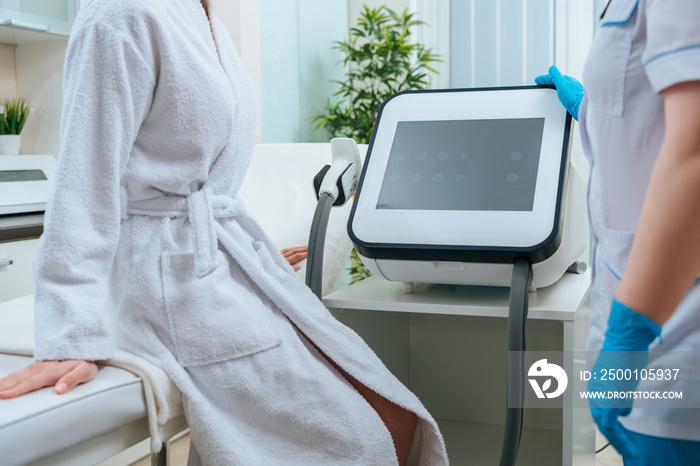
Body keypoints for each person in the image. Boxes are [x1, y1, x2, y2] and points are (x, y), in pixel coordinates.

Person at [0, 1, 448, 464]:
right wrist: (69, 337)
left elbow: (204, 177)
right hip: (164, 281)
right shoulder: (123, 12)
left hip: (211, 258)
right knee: (371, 433)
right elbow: (83, 186)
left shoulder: (202, 14)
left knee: (398, 413)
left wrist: (245, 254)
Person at [536, 0, 700, 464]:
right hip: (651, 316)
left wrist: (630, 335)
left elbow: (695, 150)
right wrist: (587, 106)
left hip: (676, 330)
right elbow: (648, 114)